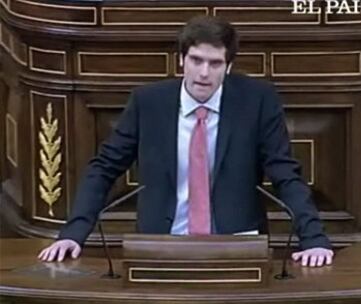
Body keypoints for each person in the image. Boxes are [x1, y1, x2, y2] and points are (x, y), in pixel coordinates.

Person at [38, 16, 334, 267]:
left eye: (215, 63)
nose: (204, 73)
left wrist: (314, 240)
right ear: (181, 59)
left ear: (228, 67)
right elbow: (103, 169)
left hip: (236, 248)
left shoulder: (256, 101)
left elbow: (286, 174)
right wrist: (72, 234)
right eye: (196, 60)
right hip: (160, 245)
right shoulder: (148, 102)